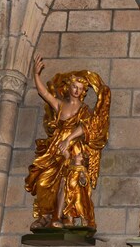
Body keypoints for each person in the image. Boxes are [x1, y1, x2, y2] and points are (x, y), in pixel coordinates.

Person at [25, 54, 110, 230]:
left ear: (84, 91)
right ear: (69, 87)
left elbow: (85, 128)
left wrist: (69, 140)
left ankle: (60, 216)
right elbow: (44, 93)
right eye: (74, 87)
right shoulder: (61, 105)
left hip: (72, 148)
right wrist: (36, 75)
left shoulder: (84, 110)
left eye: (80, 88)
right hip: (55, 146)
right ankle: (45, 215)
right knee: (43, 181)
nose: (77, 90)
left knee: (67, 180)